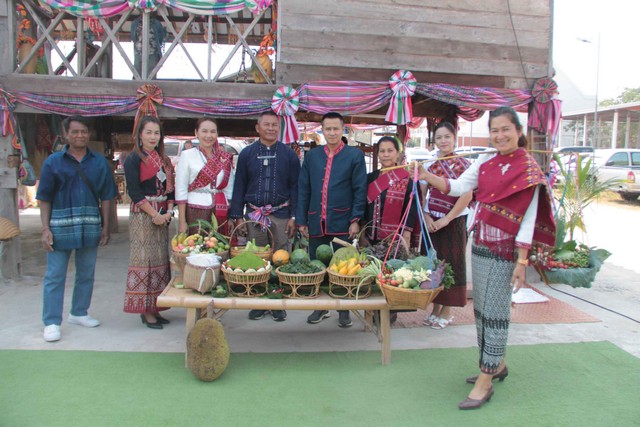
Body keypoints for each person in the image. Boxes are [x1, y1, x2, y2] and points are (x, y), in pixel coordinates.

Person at [418, 107, 555, 410]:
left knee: (494, 311)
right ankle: (498, 362)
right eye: (494, 130)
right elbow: (457, 188)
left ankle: (486, 379)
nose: (500, 135)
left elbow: (529, 218)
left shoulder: (528, 168)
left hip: (506, 251)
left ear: (518, 131)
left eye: (506, 129)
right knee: (482, 308)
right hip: (480, 244)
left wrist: (522, 262)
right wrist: (427, 175)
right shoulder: (485, 161)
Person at [37, 115, 118, 342]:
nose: (80, 135)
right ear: (65, 135)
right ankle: (52, 322)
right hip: (59, 227)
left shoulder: (99, 162)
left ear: (88, 133)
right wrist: (45, 228)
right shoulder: (53, 162)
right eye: (75, 132)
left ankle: (79, 312)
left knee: (86, 273)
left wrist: (105, 226)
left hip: (90, 226)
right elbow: (44, 197)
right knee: (55, 275)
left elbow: (107, 197)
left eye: (83, 131)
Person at [297, 112, 367, 328]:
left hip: (342, 220)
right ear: (322, 130)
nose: (332, 132)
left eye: (336, 128)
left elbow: (359, 189)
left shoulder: (354, 156)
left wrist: (355, 219)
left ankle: (343, 310)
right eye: (328, 129)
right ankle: (320, 307)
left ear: (343, 129)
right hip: (316, 220)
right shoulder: (312, 156)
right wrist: (301, 221)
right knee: (318, 265)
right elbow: (304, 190)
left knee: (342, 268)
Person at [230, 110, 300, 322]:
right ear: (257, 128)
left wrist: (294, 217)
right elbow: (239, 185)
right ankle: (259, 301)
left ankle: (278, 302)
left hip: (281, 215)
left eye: (274, 125)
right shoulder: (246, 154)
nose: (271, 128)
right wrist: (238, 216)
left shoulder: (289, 155)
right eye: (266, 125)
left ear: (279, 128)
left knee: (281, 258)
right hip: (254, 216)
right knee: (257, 261)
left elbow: (296, 187)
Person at [420, 122, 473, 330]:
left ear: (454, 138)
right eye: (439, 137)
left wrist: (447, 219)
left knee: (452, 263)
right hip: (432, 220)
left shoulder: (465, 165)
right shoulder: (429, 165)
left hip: (454, 221)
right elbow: (424, 195)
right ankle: (436, 307)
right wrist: (426, 217)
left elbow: (466, 195)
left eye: (447, 137)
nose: (443, 141)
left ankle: (448, 311)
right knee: (434, 263)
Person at [123, 116, 175, 329]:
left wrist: (169, 211)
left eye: (156, 133)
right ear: (140, 135)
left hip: (163, 215)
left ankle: (156, 307)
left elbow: (171, 189)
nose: (153, 137)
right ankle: (146, 311)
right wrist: (154, 214)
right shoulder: (133, 159)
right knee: (144, 261)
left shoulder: (165, 160)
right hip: (143, 216)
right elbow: (134, 191)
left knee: (160, 260)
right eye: (149, 132)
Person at [175, 117, 234, 236]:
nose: (209, 135)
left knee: (218, 248)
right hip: (195, 209)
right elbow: (181, 189)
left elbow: (229, 189)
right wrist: (182, 221)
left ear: (217, 134)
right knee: (196, 247)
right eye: (204, 131)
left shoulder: (224, 158)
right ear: (196, 133)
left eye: (213, 131)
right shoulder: (187, 155)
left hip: (220, 210)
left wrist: (230, 216)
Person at [364, 136, 418, 248]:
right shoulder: (370, 178)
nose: (386, 154)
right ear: (378, 154)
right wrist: (362, 235)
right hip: (370, 238)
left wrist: (406, 235)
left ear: (398, 153)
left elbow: (411, 210)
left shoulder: (407, 180)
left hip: (395, 241)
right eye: (382, 151)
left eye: (390, 150)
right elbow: (364, 206)